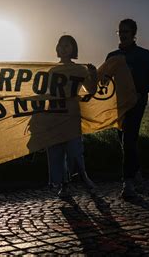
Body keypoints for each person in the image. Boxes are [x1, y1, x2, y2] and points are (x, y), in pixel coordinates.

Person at [106, 18, 149, 199]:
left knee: (128, 139)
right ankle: (136, 174)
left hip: (137, 103)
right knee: (124, 140)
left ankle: (127, 184)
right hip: (118, 105)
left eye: (126, 31)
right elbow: (105, 81)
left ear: (134, 33)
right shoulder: (112, 56)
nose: (122, 34)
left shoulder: (145, 55)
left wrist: (138, 93)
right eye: (120, 31)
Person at [46, 35, 97, 197]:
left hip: (72, 116)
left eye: (67, 45)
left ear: (73, 49)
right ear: (56, 48)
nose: (63, 48)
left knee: (74, 151)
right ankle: (64, 185)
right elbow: (45, 94)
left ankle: (82, 175)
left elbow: (91, 90)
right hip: (54, 116)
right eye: (60, 45)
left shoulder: (79, 70)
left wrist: (93, 74)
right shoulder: (52, 70)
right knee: (56, 153)